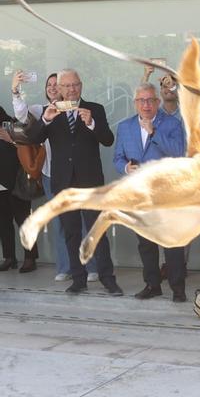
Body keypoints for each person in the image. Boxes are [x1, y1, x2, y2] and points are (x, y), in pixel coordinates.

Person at [27, 69, 122, 296]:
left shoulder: (95, 109)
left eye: (75, 85)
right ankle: (78, 280)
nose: (72, 89)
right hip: (63, 183)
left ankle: (108, 279)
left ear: (81, 85)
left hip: (90, 182)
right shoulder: (51, 112)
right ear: (59, 89)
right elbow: (33, 139)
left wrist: (91, 124)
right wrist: (46, 119)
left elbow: (108, 140)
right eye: (67, 86)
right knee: (70, 233)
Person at [12, 71, 99, 282]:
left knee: (86, 221)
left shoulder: (74, 109)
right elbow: (22, 116)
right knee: (61, 224)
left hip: (78, 175)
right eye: (49, 84)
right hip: (52, 175)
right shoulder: (42, 110)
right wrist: (15, 90)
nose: (52, 87)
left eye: (55, 84)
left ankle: (92, 267)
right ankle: (65, 266)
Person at [112, 83, 187, 302]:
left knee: (172, 243)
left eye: (150, 100)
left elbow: (178, 152)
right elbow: (117, 157)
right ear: (135, 103)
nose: (146, 105)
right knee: (145, 243)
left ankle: (178, 289)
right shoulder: (125, 127)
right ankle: (152, 284)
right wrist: (126, 168)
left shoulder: (172, 123)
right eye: (141, 100)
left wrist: (153, 132)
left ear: (157, 102)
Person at [0, 105, 39, 272]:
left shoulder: (12, 124)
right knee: (3, 222)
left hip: (17, 181)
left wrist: (11, 139)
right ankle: (9, 257)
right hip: (0, 183)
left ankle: (30, 258)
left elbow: (28, 146)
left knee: (23, 221)